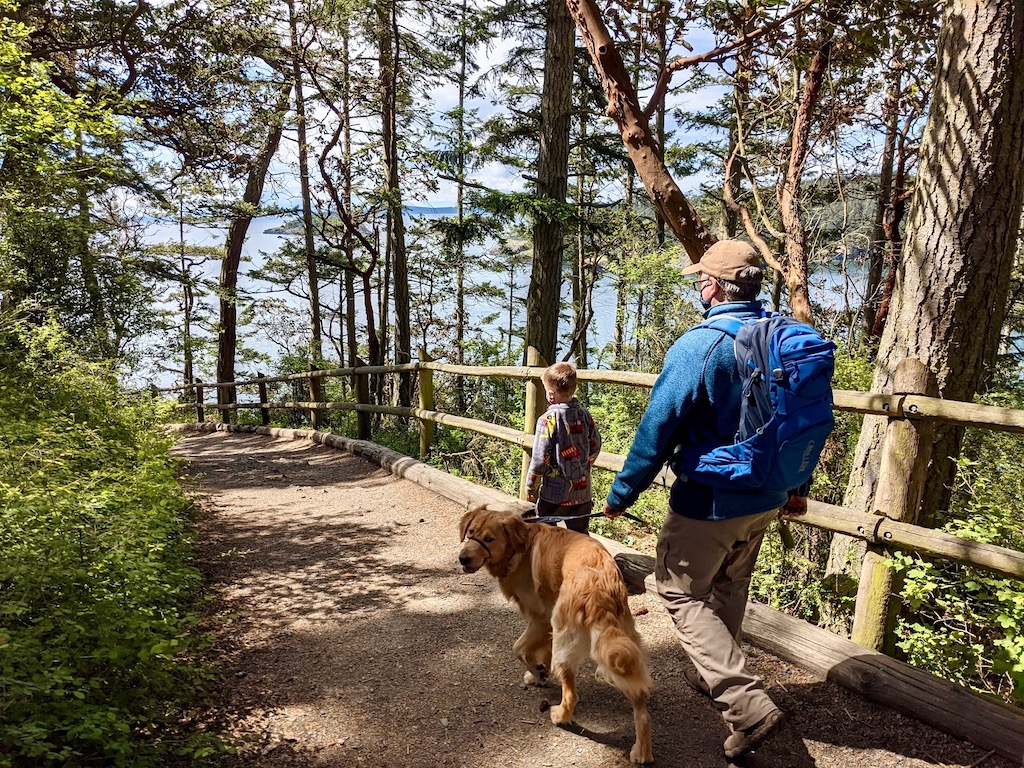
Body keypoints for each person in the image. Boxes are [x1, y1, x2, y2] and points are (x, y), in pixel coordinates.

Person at [603, 239, 808, 759]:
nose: (700, 286)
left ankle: (746, 703)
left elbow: (657, 428)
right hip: (768, 493)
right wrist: (796, 488)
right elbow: (799, 421)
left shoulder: (701, 346)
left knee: (676, 591)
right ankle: (715, 677)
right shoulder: (782, 338)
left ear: (711, 286)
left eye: (702, 280)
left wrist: (622, 493)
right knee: (728, 584)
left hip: (713, 500)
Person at [525, 362, 602, 534]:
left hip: (554, 494)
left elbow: (539, 459)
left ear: (551, 395)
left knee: (545, 533)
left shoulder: (547, 420)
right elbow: (596, 444)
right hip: (582, 494)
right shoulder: (585, 415)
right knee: (580, 535)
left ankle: (550, 560)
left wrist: (531, 486)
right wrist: (586, 464)